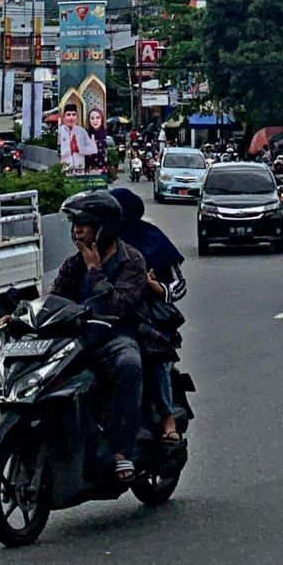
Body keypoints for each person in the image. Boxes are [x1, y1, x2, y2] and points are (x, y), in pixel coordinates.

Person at [50, 191, 147, 482]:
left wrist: (95, 271)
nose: (78, 230)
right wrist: (19, 316)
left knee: (129, 365)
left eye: (85, 223)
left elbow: (119, 306)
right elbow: (56, 298)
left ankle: (121, 450)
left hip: (115, 337)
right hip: (78, 340)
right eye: (75, 224)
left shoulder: (131, 260)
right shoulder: (73, 263)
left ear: (105, 227)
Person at [110, 188, 186, 444]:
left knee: (153, 355)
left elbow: (179, 284)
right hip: (106, 319)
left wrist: (158, 288)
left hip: (148, 319)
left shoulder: (152, 240)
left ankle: (167, 417)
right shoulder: (98, 244)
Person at [57, 103, 97, 173]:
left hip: (80, 170)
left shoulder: (82, 131)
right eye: (68, 115)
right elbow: (56, 153)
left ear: (77, 117)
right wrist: (70, 150)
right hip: (64, 171)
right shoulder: (59, 132)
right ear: (63, 117)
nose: (71, 117)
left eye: (74, 114)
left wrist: (79, 149)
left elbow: (93, 149)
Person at [85, 106, 108, 174]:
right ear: (89, 120)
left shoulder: (105, 134)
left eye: (98, 118)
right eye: (92, 118)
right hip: (89, 172)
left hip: (104, 171)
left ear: (102, 119)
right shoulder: (85, 135)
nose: (95, 121)